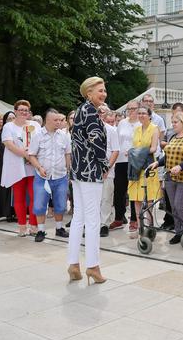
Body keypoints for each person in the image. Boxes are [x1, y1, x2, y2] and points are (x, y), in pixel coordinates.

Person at [68, 77, 109, 284]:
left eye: (104, 90)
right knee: (92, 220)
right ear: (89, 92)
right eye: (100, 90)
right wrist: (105, 165)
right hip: (90, 171)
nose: (103, 94)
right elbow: (97, 143)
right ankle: (93, 266)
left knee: (79, 218)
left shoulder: (81, 110)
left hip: (77, 171)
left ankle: (73, 264)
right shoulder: (91, 111)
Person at [150, 111, 183, 244]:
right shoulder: (172, 137)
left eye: (175, 122)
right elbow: (168, 156)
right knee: (173, 206)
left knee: (180, 205)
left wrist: (181, 167)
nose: (173, 125)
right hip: (170, 177)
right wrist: (158, 162)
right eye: (172, 122)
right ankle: (179, 232)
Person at [28, 109, 71, 242]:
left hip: (60, 176)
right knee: (40, 204)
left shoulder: (64, 135)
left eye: (60, 120)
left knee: (61, 204)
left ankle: (59, 228)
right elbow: (31, 155)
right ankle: (41, 230)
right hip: (42, 177)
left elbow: (67, 154)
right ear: (47, 120)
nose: (59, 122)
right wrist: (39, 168)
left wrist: (68, 170)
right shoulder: (38, 135)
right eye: (55, 120)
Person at [1, 100, 41, 236]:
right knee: (19, 197)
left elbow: (41, 142)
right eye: (21, 110)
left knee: (35, 196)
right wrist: (27, 155)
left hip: (33, 167)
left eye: (26, 110)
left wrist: (33, 157)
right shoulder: (9, 126)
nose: (24, 112)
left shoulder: (35, 125)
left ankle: (34, 225)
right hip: (17, 166)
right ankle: (22, 226)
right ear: (16, 111)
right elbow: (9, 145)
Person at [127, 106, 160, 236]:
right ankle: (140, 228)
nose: (141, 115)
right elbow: (135, 146)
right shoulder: (136, 129)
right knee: (136, 198)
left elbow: (153, 148)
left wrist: (134, 152)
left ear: (149, 115)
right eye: (139, 113)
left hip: (148, 165)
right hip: (136, 166)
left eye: (143, 113)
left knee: (149, 197)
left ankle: (149, 227)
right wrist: (133, 152)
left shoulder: (154, 129)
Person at [113, 101, 140, 231]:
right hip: (120, 161)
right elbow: (117, 141)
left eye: (133, 108)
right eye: (128, 109)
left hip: (135, 161)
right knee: (119, 190)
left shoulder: (142, 123)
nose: (130, 111)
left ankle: (134, 219)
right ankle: (119, 217)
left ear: (139, 109)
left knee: (134, 190)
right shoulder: (122, 123)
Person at [98, 104, 120, 237]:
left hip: (107, 169)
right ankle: (93, 223)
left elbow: (115, 150)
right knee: (93, 199)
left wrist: (107, 168)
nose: (100, 114)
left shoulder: (111, 130)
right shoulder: (87, 129)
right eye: (98, 112)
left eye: (103, 112)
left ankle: (104, 224)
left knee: (106, 198)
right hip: (91, 171)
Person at [0, 111, 16, 221]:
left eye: (13, 118)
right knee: (7, 189)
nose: (11, 120)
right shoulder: (2, 132)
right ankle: (8, 212)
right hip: (7, 164)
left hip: (17, 165)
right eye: (9, 118)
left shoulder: (18, 131)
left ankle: (16, 211)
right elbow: (2, 149)